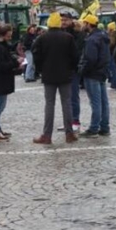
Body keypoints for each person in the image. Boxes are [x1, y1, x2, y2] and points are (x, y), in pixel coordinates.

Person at [31, 12, 79, 144]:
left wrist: (41, 70)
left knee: (49, 104)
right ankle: (69, 133)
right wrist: (71, 68)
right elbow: (75, 56)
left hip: (48, 74)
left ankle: (47, 135)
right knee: (67, 104)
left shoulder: (42, 38)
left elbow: (36, 56)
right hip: (65, 74)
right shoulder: (68, 37)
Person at [79, 14, 111, 137]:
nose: (82, 25)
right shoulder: (103, 37)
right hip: (102, 72)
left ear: (88, 24)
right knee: (103, 102)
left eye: (84, 23)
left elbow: (90, 58)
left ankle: (93, 128)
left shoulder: (92, 39)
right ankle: (105, 127)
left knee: (95, 102)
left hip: (93, 74)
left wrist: (82, 70)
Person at [61, 12, 85, 131]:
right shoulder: (60, 32)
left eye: (65, 20)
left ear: (71, 20)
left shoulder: (77, 33)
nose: (63, 22)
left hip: (73, 69)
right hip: (62, 68)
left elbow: (78, 51)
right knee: (65, 97)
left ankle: (75, 120)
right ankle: (67, 121)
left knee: (73, 96)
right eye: (61, 20)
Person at [107, 22, 116, 90]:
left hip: (112, 54)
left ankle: (114, 84)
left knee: (113, 70)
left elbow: (111, 44)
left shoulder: (112, 35)